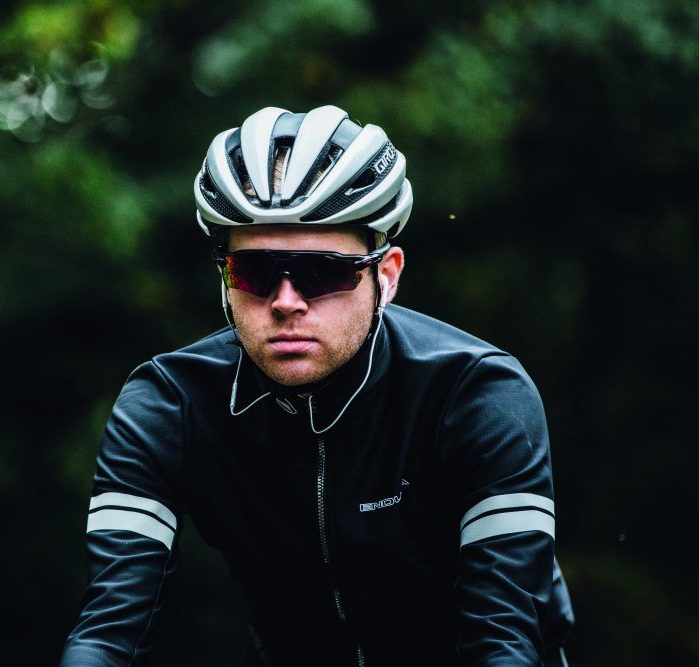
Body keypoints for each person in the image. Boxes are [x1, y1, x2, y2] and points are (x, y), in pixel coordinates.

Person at [60, 105, 574, 666]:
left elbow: (503, 641)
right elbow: (107, 635)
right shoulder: (169, 404)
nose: (286, 302)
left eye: (322, 271)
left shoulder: (477, 393)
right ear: (224, 279)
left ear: (387, 275)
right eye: (253, 273)